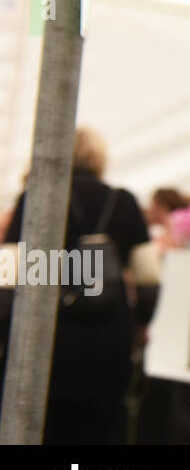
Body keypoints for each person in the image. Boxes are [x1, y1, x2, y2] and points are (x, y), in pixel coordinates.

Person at [0, 127, 160, 444]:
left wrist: (6, 329)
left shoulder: (36, 199)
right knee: (98, 428)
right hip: (106, 338)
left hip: (42, 334)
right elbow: (149, 280)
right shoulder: (123, 202)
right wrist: (141, 324)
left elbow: (7, 275)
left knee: (35, 423)